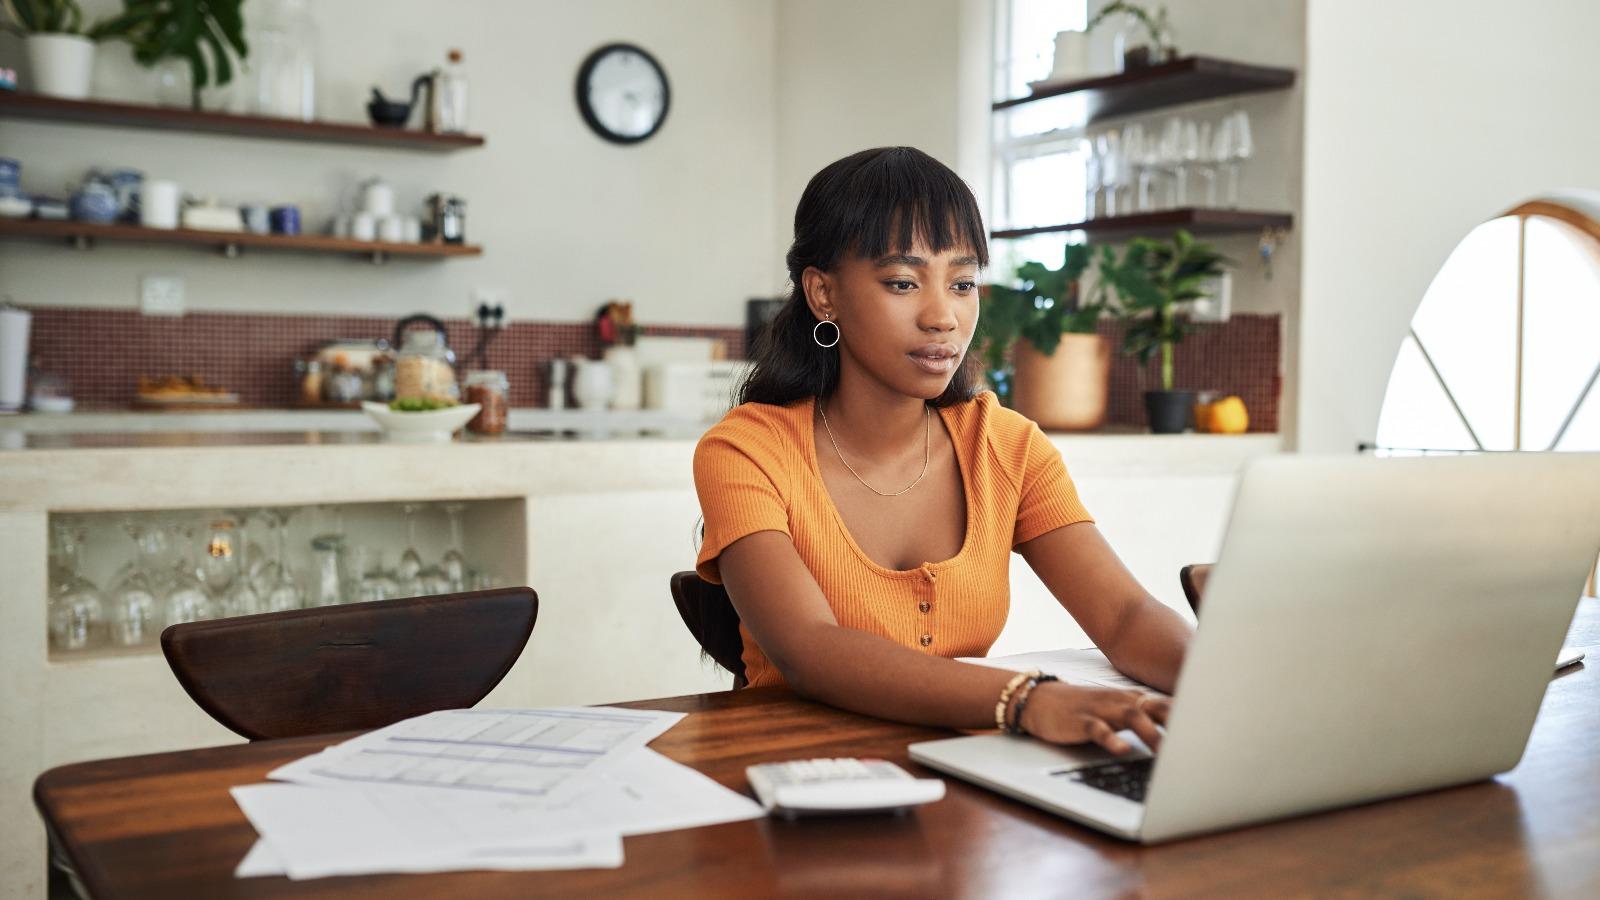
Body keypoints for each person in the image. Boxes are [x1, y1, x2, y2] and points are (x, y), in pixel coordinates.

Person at [693, 147, 1192, 754]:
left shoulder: (1005, 446)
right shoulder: (747, 450)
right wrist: (1025, 700)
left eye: (962, 283)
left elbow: (1125, 618)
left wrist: (1225, 685)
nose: (943, 317)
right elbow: (809, 650)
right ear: (824, 294)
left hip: (968, 775)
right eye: (903, 283)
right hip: (797, 781)